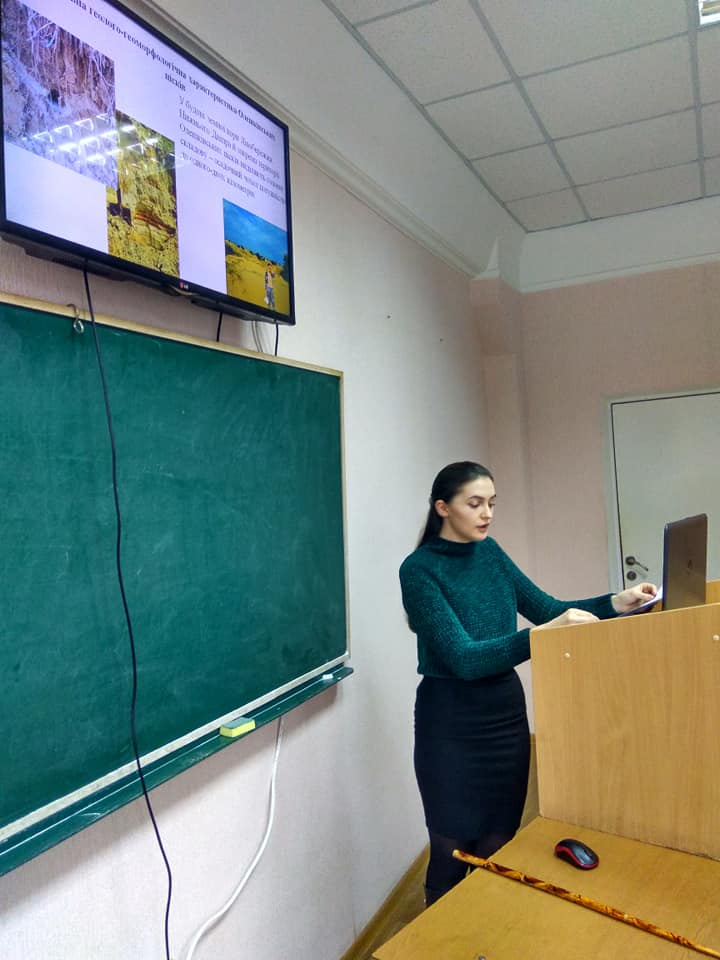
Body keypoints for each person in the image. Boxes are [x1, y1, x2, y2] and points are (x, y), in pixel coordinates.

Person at [399, 461, 657, 907]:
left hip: (504, 717)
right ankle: (436, 936)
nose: (487, 513)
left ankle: (485, 932)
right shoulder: (418, 571)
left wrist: (617, 602)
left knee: (498, 841)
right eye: (474, 503)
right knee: (450, 847)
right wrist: (542, 636)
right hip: (451, 723)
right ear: (443, 507)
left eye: (492, 503)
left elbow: (548, 609)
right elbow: (464, 658)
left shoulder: (491, 554)